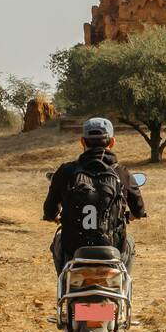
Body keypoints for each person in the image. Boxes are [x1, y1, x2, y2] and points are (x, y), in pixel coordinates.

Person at [42, 117, 146, 274]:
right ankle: (123, 288)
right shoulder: (121, 172)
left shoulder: (66, 171)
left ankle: (65, 285)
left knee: (58, 241)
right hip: (111, 249)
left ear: (83, 142)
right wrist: (131, 216)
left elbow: (49, 211)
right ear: (112, 143)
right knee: (129, 241)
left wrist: (54, 216)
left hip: (74, 250)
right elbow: (139, 210)